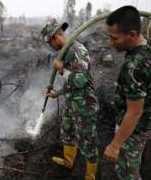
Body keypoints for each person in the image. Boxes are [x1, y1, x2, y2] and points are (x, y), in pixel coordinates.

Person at [103, 6, 151, 180]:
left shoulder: (133, 66)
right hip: (149, 120)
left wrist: (115, 145)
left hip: (135, 130)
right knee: (137, 158)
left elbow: (134, 112)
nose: (110, 43)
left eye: (114, 38)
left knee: (127, 173)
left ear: (132, 34)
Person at [41, 19, 99, 180]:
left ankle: (90, 175)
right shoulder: (66, 52)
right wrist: (57, 93)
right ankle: (68, 162)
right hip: (72, 102)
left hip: (84, 105)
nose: (50, 47)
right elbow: (71, 83)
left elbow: (80, 81)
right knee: (67, 132)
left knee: (87, 141)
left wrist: (61, 70)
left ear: (54, 38)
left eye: (49, 43)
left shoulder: (76, 51)